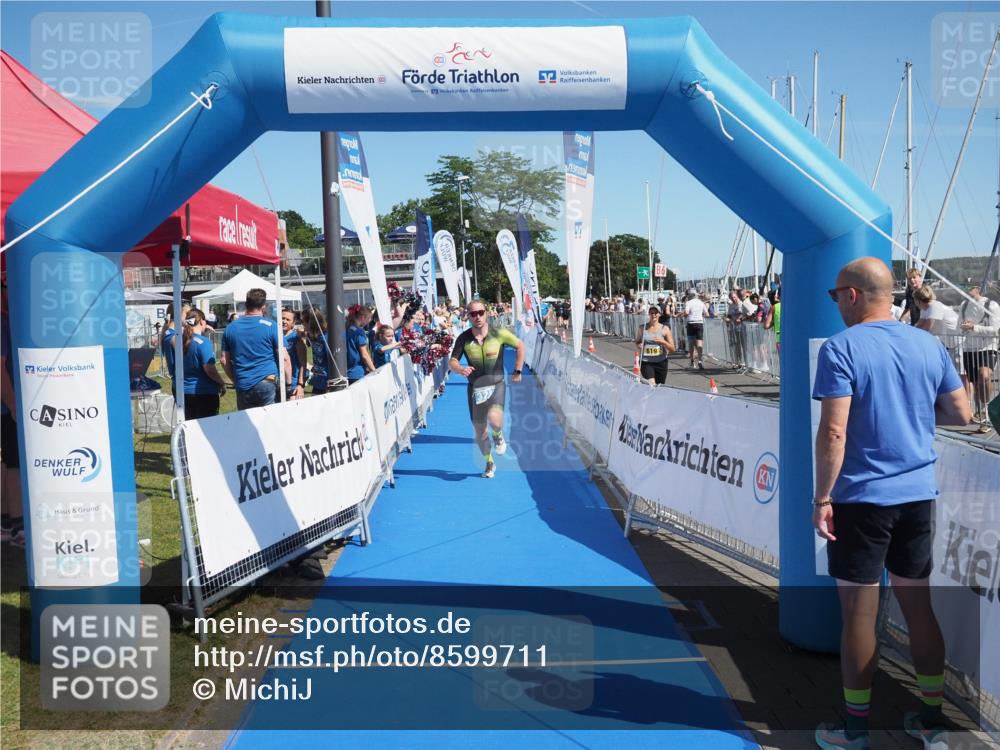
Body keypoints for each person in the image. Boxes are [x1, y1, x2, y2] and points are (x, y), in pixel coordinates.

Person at [812, 257, 970, 750]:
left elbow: (834, 431)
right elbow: (962, 413)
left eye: (836, 295)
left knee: (859, 615)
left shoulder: (841, 348)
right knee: (918, 610)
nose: (836, 304)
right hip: (917, 495)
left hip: (862, 498)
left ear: (853, 295)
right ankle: (931, 720)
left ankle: (856, 730)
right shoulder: (928, 343)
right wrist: (912, 421)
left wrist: (821, 497)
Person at [449, 300, 525, 479]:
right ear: (467, 316)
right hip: (475, 388)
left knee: (495, 419)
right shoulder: (464, 338)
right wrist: (460, 368)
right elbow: (452, 361)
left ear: (486, 313)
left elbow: (520, 345)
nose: (477, 317)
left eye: (480, 312)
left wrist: (518, 370)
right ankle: (489, 462)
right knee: (480, 430)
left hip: (497, 384)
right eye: (473, 314)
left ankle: (498, 434)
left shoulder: (499, 333)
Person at [220, 288, 290, 410]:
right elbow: (284, 358)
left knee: (247, 426)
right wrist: (288, 383)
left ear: (246, 304)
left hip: (243, 383)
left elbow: (224, 360)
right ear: (264, 306)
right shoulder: (272, 326)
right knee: (270, 423)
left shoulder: (230, 328)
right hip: (267, 381)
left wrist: (235, 380)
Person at [0, 282, 24, 547]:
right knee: (14, 463)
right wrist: (14, 406)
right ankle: (16, 525)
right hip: (5, 408)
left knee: (7, 463)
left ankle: (8, 523)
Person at [958, 286, 1000, 429]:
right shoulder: (963, 306)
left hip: (987, 347)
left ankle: (986, 409)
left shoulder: (992, 305)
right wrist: (964, 328)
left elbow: (996, 330)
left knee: (984, 375)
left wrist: (974, 328)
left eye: (968, 288)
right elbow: (959, 327)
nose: (964, 291)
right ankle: (981, 415)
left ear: (977, 289)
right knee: (976, 383)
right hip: (969, 348)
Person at [173, 309, 227, 419]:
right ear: (202, 322)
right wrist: (222, 383)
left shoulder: (179, 341)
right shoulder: (203, 342)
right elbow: (209, 369)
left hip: (184, 391)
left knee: (189, 426)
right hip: (203, 392)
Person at [635, 306, 676, 384]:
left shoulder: (665, 329)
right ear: (649, 314)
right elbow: (637, 341)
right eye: (651, 313)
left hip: (661, 362)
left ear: (659, 314)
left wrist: (663, 342)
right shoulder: (642, 328)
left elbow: (672, 349)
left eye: (655, 313)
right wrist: (639, 344)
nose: (653, 315)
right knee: (652, 384)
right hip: (646, 362)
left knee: (660, 387)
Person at [281, 308, 308, 400]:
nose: (284, 321)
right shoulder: (276, 336)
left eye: (288, 319)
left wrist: (300, 385)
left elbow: (303, 364)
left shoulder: (296, 339)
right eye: (282, 318)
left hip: (293, 384)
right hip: (278, 382)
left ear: (293, 322)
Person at [346, 304, 376, 384]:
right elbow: (364, 355)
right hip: (357, 373)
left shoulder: (347, 328)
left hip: (346, 372)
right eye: (369, 318)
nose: (370, 321)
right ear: (363, 317)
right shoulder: (359, 332)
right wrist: (374, 371)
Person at [305, 310, 331, 395]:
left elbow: (332, 359)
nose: (302, 324)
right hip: (317, 379)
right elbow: (306, 345)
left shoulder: (325, 338)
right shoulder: (312, 336)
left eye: (303, 321)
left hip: (326, 381)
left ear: (311, 323)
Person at [683, 289, 709, 369]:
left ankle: (692, 361)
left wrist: (685, 315)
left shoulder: (688, 303)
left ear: (690, 295)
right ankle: (700, 361)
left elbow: (686, 313)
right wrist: (700, 316)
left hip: (691, 323)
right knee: (699, 343)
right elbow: (707, 314)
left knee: (691, 343)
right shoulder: (701, 303)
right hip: (699, 323)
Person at [764, 289, 782, 355]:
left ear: (779, 296)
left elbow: (766, 325)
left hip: (780, 338)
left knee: (783, 361)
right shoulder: (793, 305)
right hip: (793, 336)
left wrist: (774, 321)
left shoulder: (774, 307)